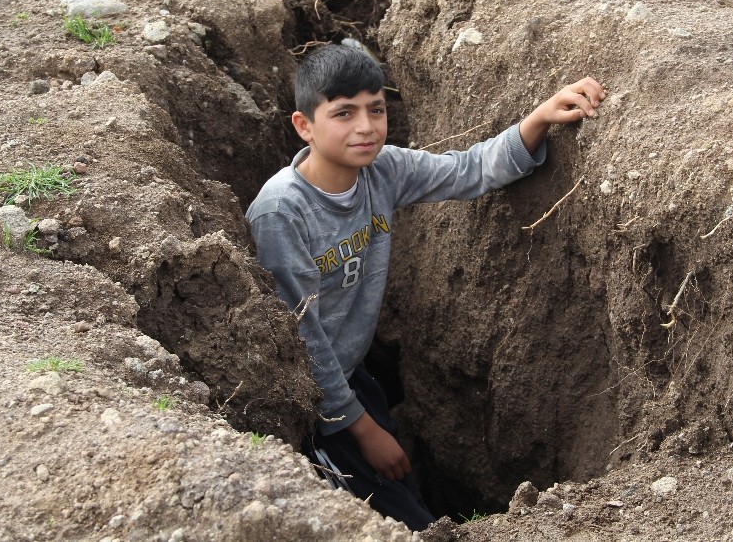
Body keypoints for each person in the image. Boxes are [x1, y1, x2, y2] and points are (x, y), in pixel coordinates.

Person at [245, 44, 605, 530]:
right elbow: (300, 337)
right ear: (304, 125)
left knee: (407, 492)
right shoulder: (282, 214)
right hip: (309, 404)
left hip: (352, 375)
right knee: (388, 521)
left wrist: (539, 119)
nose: (366, 127)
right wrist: (363, 430)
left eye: (376, 110)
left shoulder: (383, 171)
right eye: (344, 114)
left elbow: (469, 169)